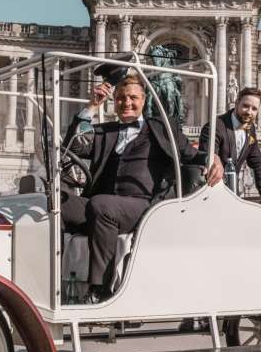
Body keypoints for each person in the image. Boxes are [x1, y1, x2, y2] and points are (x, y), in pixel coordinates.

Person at [62, 75, 223, 303]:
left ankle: (101, 290)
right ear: (113, 101)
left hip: (142, 206)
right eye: (120, 98)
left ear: (143, 100)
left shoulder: (162, 128)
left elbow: (191, 154)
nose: (126, 103)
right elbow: (73, 145)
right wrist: (92, 105)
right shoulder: (105, 131)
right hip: (102, 207)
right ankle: (54, 280)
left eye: (132, 98)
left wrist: (213, 158)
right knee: (56, 201)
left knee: (102, 205)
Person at [199, 87, 261, 195]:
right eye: (246, 106)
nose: (249, 112)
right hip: (211, 189)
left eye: (254, 109)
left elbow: (258, 164)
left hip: (233, 191)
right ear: (236, 103)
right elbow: (208, 155)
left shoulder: (251, 130)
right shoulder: (215, 126)